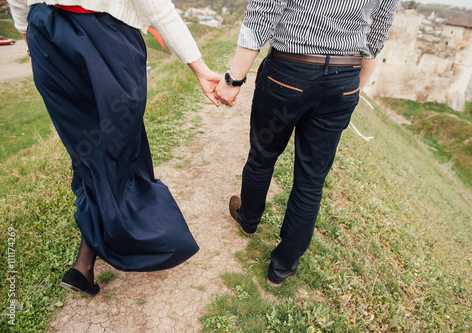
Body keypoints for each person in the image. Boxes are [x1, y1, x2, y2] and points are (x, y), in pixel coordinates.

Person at [7, 0, 221, 295]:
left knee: (91, 152)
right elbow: (156, 9)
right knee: (113, 152)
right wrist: (200, 69)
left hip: (46, 38)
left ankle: (83, 266)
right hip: (106, 40)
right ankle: (139, 240)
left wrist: (30, 39)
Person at [215, 0, 399, 287]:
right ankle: (283, 266)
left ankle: (249, 220)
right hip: (345, 76)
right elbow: (377, 33)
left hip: (289, 73)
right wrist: (354, 88)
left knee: (263, 154)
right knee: (312, 180)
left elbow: (264, 10)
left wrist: (234, 78)